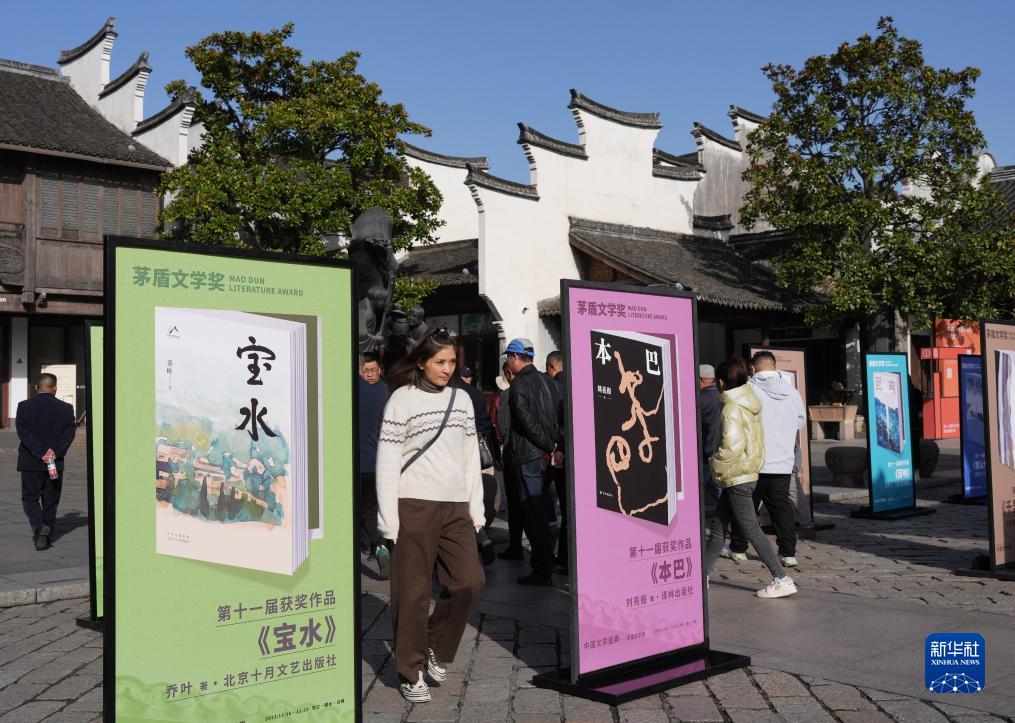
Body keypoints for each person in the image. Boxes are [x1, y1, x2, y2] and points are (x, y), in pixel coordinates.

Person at [376, 326, 486, 703]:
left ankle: (436, 645)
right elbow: (388, 461)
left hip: (455, 506)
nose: (447, 369)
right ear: (422, 362)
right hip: (413, 503)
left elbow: (470, 458)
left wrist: (476, 507)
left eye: (452, 361)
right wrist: (389, 518)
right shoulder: (401, 400)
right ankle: (411, 670)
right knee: (413, 593)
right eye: (440, 361)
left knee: (470, 581)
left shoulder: (463, 399)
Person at [705, 359, 796, 599]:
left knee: (751, 528)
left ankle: (781, 578)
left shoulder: (731, 407)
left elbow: (731, 446)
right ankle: (702, 576)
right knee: (718, 528)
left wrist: (714, 464)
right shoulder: (749, 402)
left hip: (737, 475)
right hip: (745, 472)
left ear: (721, 382)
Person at [727, 352, 806, 568]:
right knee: (781, 507)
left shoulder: (749, 389)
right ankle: (788, 553)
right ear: (774, 366)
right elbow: (800, 421)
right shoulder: (792, 392)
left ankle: (738, 548)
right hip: (782, 459)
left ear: (753, 368)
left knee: (746, 507)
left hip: (754, 460)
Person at [505, 338, 561, 586]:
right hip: (547, 455)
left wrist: (548, 445)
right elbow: (557, 417)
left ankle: (541, 568)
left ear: (515, 358)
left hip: (529, 455)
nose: (509, 362)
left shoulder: (519, 384)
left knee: (533, 513)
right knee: (544, 510)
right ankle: (547, 561)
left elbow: (526, 422)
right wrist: (554, 446)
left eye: (509, 357)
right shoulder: (548, 381)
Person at [16, 373, 76, 551]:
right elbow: (69, 434)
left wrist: (41, 452)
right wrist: (54, 452)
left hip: (31, 461)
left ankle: (39, 526)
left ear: (37, 388)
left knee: (30, 497)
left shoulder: (24, 407)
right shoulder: (66, 409)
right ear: (55, 388)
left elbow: (23, 432)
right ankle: (45, 536)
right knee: (51, 500)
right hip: (54, 462)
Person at [454, 366, 500, 528]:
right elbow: (486, 424)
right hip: (474, 445)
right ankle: (478, 526)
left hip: (451, 450)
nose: (469, 379)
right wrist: (495, 453)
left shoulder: (444, 392)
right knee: (477, 489)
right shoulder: (475, 393)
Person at [358, 355, 391, 577]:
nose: (369, 374)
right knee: (370, 510)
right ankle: (378, 546)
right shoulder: (381, 396)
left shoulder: (349, 393)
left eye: (372, 370)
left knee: (356, 512)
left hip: (353, 465)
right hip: (375, 462)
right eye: (366, 370)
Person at [491, 363, 525, 560]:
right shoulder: (537, 387)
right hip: (536, 454)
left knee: (514, 503)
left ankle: (515, 546)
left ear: (509, 373)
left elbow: (502, 427)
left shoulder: (507, 395)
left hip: (513, 453)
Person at [545, 350, 569, 571]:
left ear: (552, 367)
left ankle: (561, 557)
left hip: (557, 453)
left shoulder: (550, 387)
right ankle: (565, 556)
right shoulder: (576, 385)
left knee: (558, 506)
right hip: (576, 457)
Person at [699, 364, 722, 517]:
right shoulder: (723, 395)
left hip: (707, 450)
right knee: (718, 487)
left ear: (700, 380)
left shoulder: (701, 398)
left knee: (699, 487)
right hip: (721, 449)